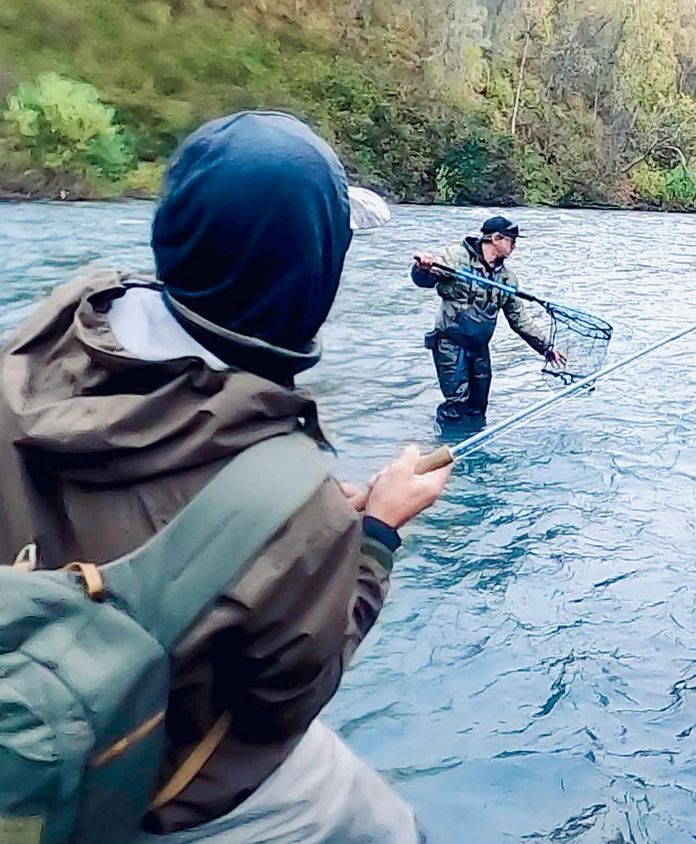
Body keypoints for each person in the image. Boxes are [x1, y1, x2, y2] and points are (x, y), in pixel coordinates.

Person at [0, 111, 450, 842]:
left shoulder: (27, 353)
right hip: (154, 781)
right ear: (313, 277)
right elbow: (290, 695)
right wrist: (369, 536)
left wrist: (285, 535)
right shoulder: (294, 498)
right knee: (385, 827)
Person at [411, 217, 564, 426]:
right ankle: (445, 449)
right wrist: (422, 268)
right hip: (450, 344)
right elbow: (424, 280)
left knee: (478, 406)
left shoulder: (507, 280)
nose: (515, 246)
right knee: (456, 404)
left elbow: (519, 319)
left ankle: (472, 450)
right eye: (511, 241)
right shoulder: (456, 258)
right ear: (495, 239)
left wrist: (546, 347)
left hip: (480, 349)